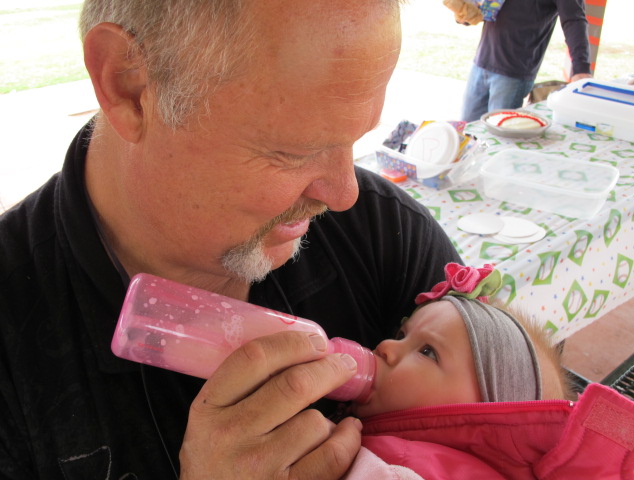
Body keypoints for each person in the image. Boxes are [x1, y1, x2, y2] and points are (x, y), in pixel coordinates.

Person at [0, 1, 465, 479]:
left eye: (354, 139)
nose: (344, 195)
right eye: (294, 150)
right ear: (129, 85)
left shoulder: (382, 231)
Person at [343, 263, 634, 479]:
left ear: (482, 412)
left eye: (427, 351)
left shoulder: (399, 469)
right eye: (401, 334)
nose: (385, 346)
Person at [459, 0, 594, 122]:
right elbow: (487, 7)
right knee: (467, 129)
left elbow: (574, 21)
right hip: (482, 62)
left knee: (498, 134)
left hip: (512, 73)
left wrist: (581, 68)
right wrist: (465, 13)